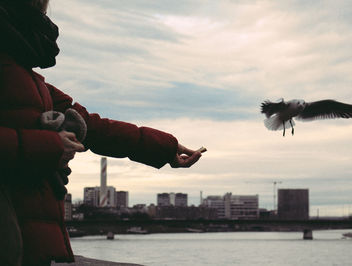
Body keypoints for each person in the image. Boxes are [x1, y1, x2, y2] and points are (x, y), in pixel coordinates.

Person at [0, 0, 203, 264]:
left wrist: (164, 147)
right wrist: (50, 146)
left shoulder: (24, 75)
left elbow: (91, 126)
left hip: (25, 233)